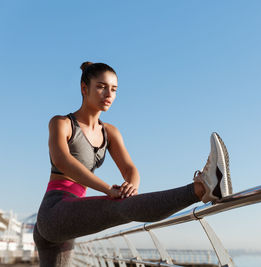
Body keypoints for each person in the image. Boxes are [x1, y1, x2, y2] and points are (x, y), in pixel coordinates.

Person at [33, 62, 233, 266]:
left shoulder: (109, 132)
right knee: (118, 207)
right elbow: (62, 161)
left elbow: (130, 169)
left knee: (122, 202)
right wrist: (108, 189)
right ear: (84, 88)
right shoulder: (62, 123)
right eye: (101, 87)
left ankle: (205, 187)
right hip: (54, 210)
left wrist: (131, 186)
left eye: (114, 89)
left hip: (72, 215)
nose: (108, 94)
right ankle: (202, 188)